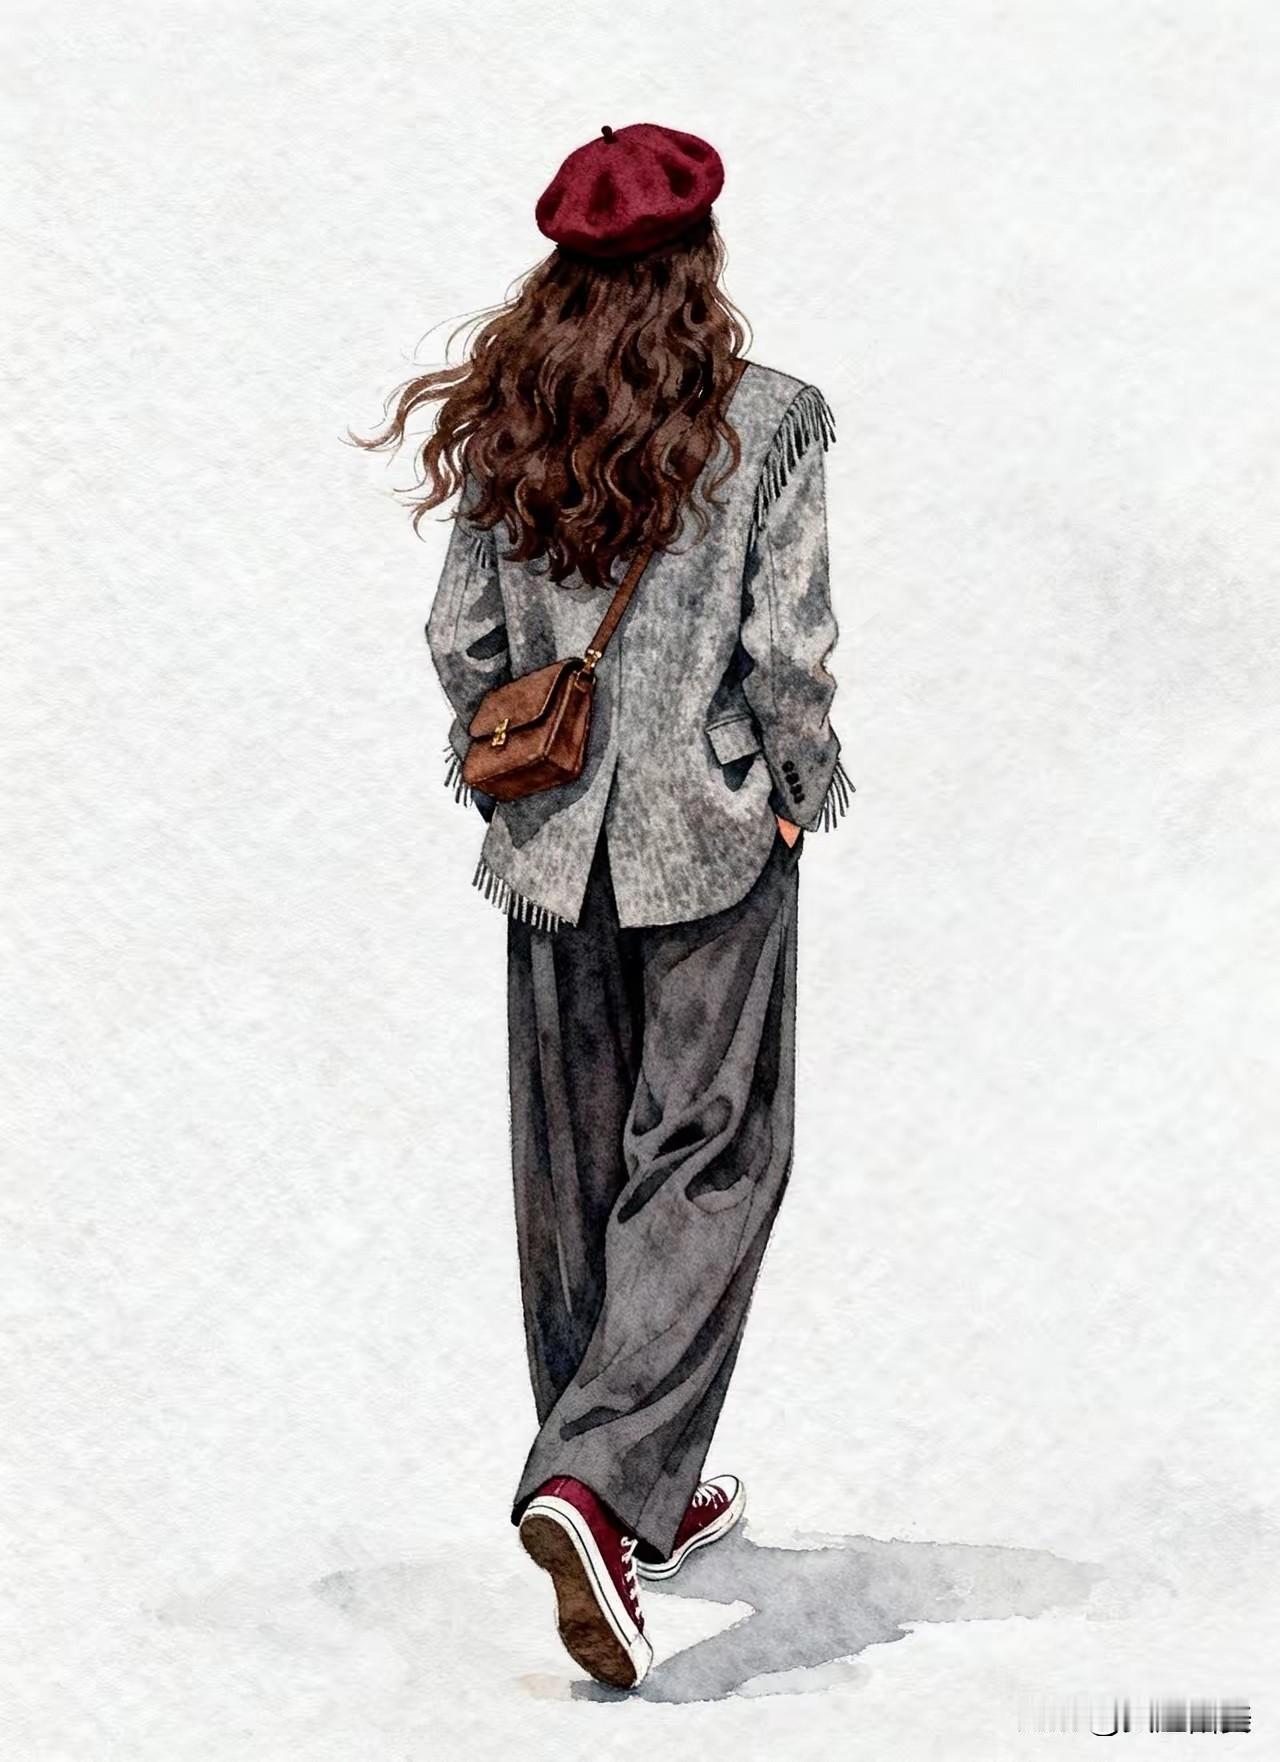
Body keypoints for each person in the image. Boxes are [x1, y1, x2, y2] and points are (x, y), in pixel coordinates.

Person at [353, 121, 853, 1690]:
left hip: (550, 842)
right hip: (713, 835)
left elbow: (461, 638)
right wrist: (800, 785)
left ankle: (620, 1476)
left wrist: (510, 758)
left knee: (572, 1166)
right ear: (699, 260)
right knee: (712, 1154)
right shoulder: (773, 419)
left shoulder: (517, 413)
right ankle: (598, 1478)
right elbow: (788, 651)